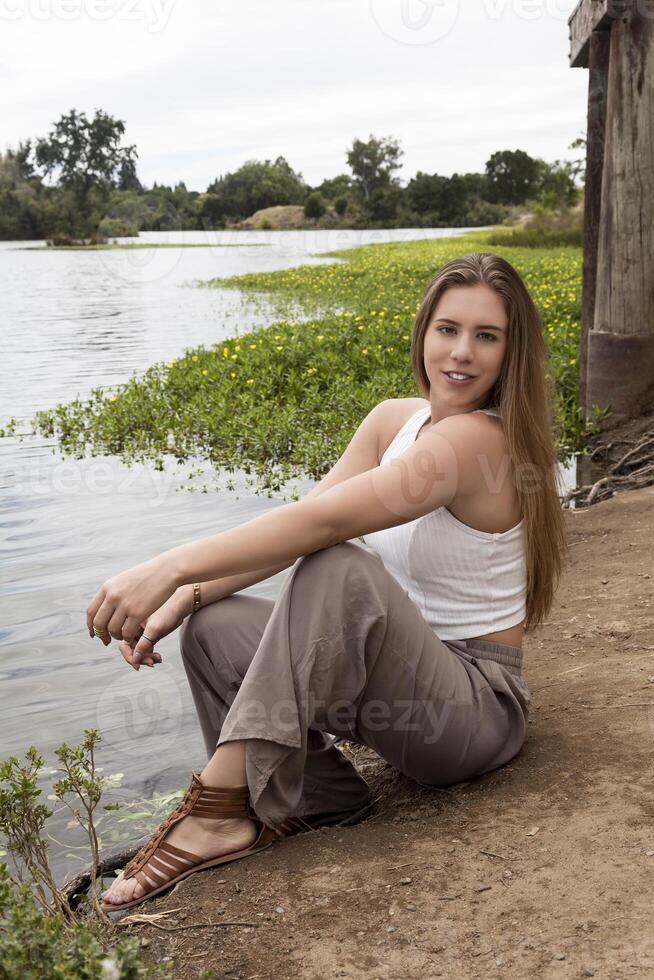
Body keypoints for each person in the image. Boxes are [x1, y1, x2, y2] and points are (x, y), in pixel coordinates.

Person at [93, 252, 567, 912]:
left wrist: (168, 565)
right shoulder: (391, 424)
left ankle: (220, 808)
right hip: (399, 687)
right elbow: (294, 522)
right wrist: (186, 596)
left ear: (511, 353)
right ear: (422, 330)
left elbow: (325, 524)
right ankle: (318, 796)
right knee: (215, 631)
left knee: (339, 566)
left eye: (487, 336)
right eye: (447, 328)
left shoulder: (476, 444)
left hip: (470, 715)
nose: (461, 353)